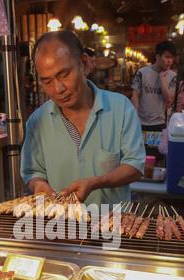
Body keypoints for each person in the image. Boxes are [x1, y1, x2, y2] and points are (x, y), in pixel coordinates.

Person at [21, 30, 145, 206]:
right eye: (47, 81)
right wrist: (38, 184)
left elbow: (135, 166)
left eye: (64, 75)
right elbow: (33, 172)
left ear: (84, 64)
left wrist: (96, 182)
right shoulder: (37, 122)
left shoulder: (121, 108)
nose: (58, 89)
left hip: (113, 225)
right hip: (60, 226)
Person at [131, 41, 177, 132]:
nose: (169, 61)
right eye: (167, 57)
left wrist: (162, 80)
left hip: (160, 123)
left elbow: (170, 99)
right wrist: (135, 117)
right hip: (141, 122)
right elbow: (135, 95)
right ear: (157, 57)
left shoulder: (172, 76)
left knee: (158, 147)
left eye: (172, 58)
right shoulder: (142, 72)